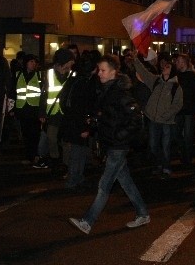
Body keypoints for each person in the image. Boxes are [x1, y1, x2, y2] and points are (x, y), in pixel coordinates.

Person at [68, 55, 150, 234]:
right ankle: (143, 213)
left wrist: (119, 136)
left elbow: (136, 120)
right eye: (99, 70)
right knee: (125, 182)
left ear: (114, 72)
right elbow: (111, 117)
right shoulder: (106, 90)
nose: (99, 73)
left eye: (103, 70)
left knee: (104, 185)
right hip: (112, 144)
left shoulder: (120, 93)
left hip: (118, 146)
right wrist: (96, 122)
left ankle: (87, 221)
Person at [133, 51, 183, 178]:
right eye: (164, 66)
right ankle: (159, 163)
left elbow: (178, 104)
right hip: (153, 119)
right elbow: (144, 73)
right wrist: (135, 60)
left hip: (166, 121)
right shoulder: (156, 81)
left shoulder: (176, 87)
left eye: (168, 67)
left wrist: (166, 115)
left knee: (165, 146)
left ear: (172, 71)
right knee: (153, 145)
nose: (164, 68)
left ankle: (166, 168)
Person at [60, 52, 98, 191]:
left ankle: (77, 177)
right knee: (78, 152)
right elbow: (81, 106)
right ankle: (73, 179)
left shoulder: (74, 79)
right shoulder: (84, 83)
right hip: (78, 122)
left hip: (72, 121)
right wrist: (84, 126)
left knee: (79, 151)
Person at [37, 48, 76, 171]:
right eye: (70, 61)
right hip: (52, 112)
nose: (72, 64)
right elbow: (43, 94)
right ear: (64, 61)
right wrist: (42, 112)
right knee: (51, 137)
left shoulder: (72, 74)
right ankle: (55, 159)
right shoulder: (49, 74)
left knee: (66, 140)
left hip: (66, 113)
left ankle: (66, 164)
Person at [173, 54, 195, 168]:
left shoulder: (194, 76)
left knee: (188, 136)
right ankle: (184, 152)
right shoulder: (177, 76)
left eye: (178, 61)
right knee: (176, 134)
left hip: (189, 110)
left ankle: (187, 158)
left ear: (184, 62)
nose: (176, 63)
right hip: (179, 110)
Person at [13, 54, 43, 164]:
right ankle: (28, 156)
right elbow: (14, 92)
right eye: (31, 61)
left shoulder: (39, 75)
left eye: (35, 62)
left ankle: (34, 155)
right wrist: (13, 109)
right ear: (26, 63)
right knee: (25, 134)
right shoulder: (18, 75)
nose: (33, 64)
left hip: (34, 109)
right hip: (22, 109)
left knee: (35, 134)